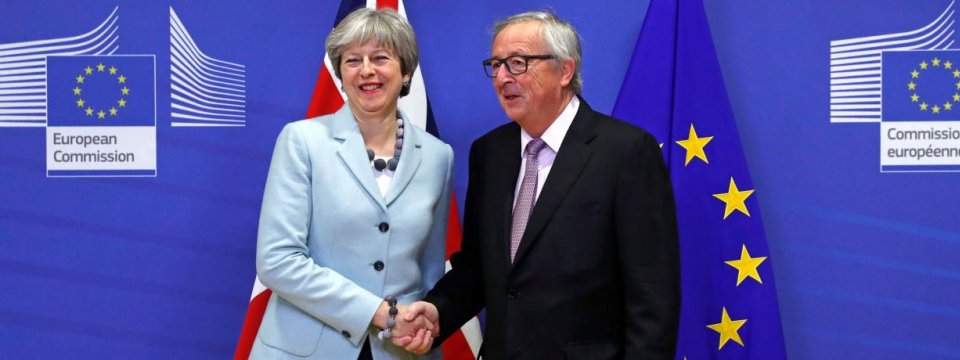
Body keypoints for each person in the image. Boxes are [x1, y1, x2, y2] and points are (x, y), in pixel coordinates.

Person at [395, 10, 681, 359]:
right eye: (496, 65)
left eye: (517, 63)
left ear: (565, 70)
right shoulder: (490, 153)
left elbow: (652, 293)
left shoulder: (625, 152)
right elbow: (479, 266)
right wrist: (439, 310)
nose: (502, 78)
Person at [252, 7, 449, 360]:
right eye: (353, 60)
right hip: (305, 350)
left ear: (405, 72)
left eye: (380, 58)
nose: (367, 71)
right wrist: (381, 313)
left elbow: (430, 273)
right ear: (341, 75)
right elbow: (277, 261)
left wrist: (422, 326)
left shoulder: (438, 156)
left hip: (401, 351)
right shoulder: (303, 141)